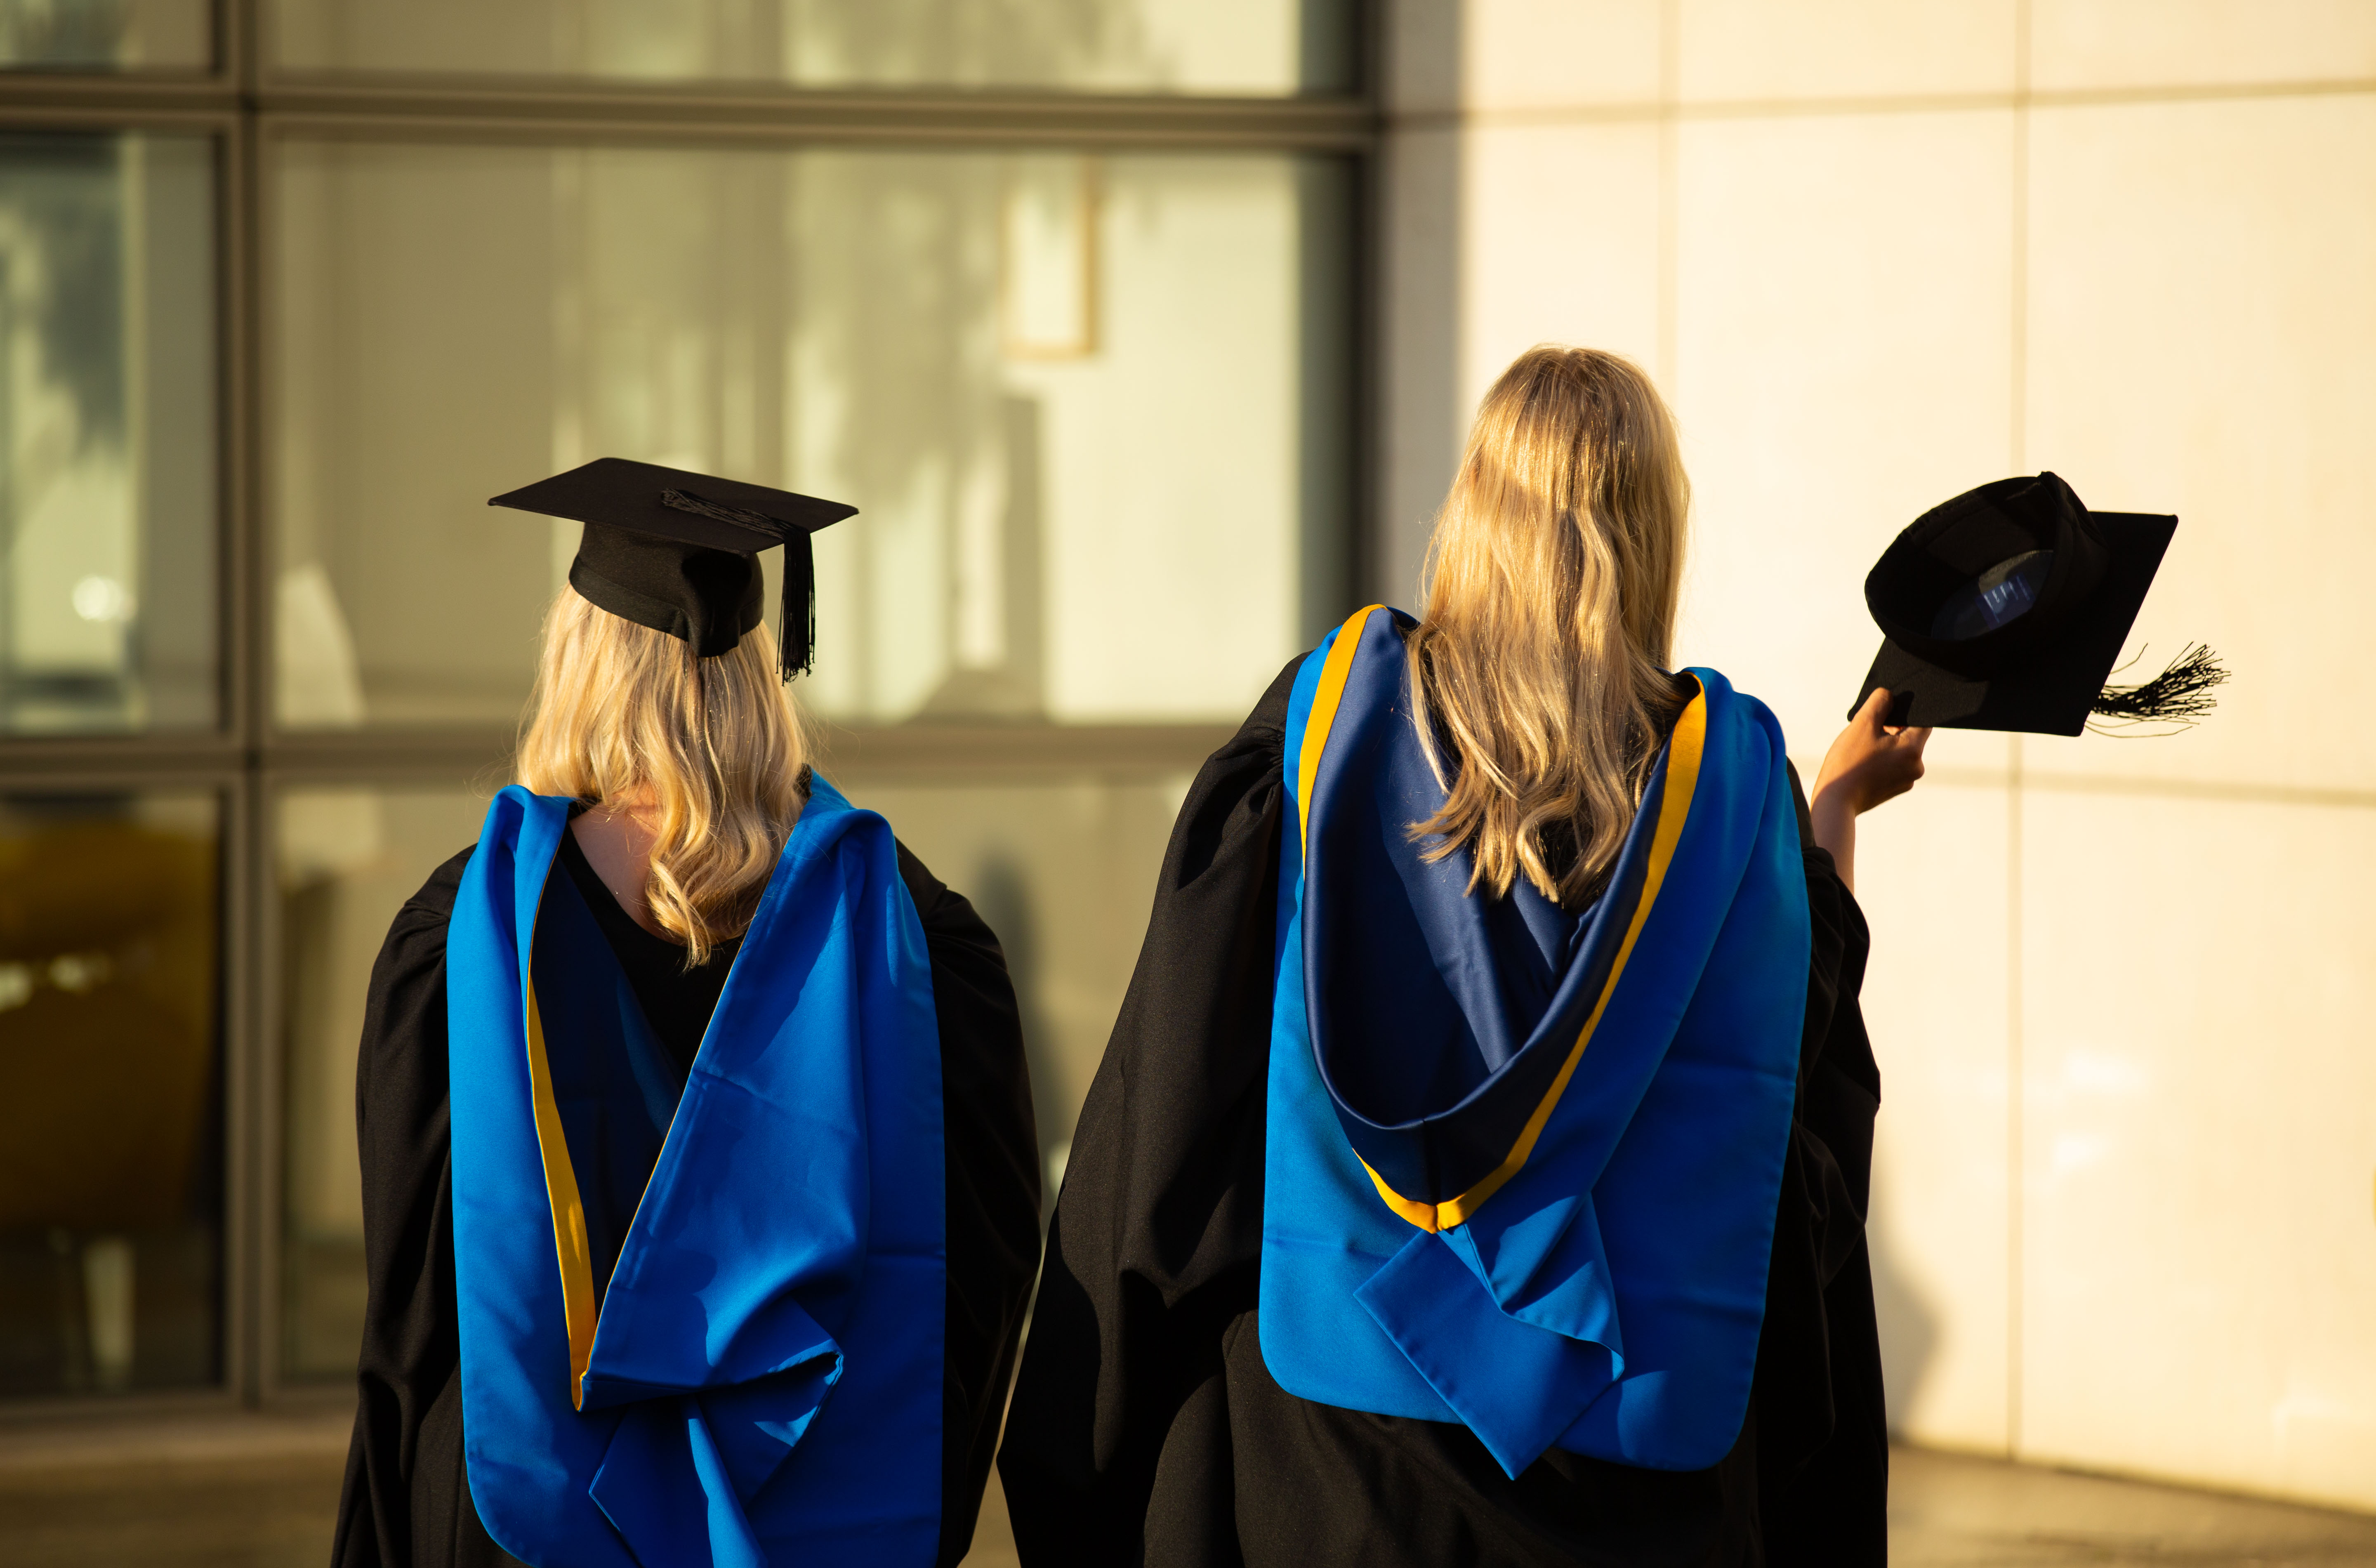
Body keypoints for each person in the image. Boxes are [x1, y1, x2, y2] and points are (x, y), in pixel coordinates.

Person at [997, 348, 1926, 1566]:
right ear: (1655, 535)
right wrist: (1830, 819)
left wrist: (1089, 1459)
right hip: (1637, 1487)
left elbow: (1171, 1118)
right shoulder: (1738, 791)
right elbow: (1803, 1129)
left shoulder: (1327, 733)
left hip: (1331, 1468)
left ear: (1474, 511)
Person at [331, 460, 1041, 1568]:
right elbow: (978, 1269)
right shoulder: (911, 936)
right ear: (764, 670)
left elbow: (419, 1301)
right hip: (818, 1502)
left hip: (519, 1516)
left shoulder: (466, 940)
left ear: (577, 662)